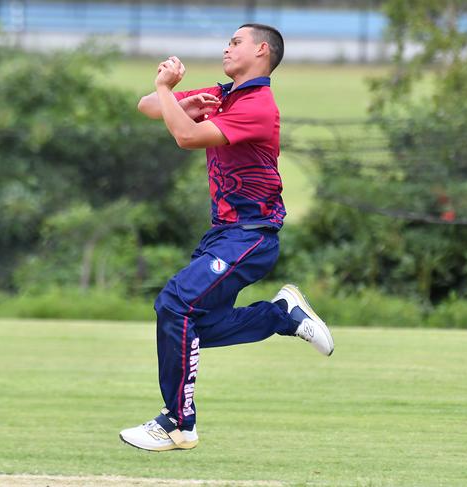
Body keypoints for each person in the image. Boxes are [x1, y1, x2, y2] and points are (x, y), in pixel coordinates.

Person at [119, 24, 334, 452]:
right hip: (224, 235)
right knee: (189, 323)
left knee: (174, 303)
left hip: (251, 235)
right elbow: (146, 106)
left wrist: (171, 94)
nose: (226, 47)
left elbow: (185, 137)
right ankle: (280, 315)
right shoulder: (223, 95)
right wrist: (177, 97)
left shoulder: (258, 105)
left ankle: (178, 423)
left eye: (235, 42)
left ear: (261, 50)